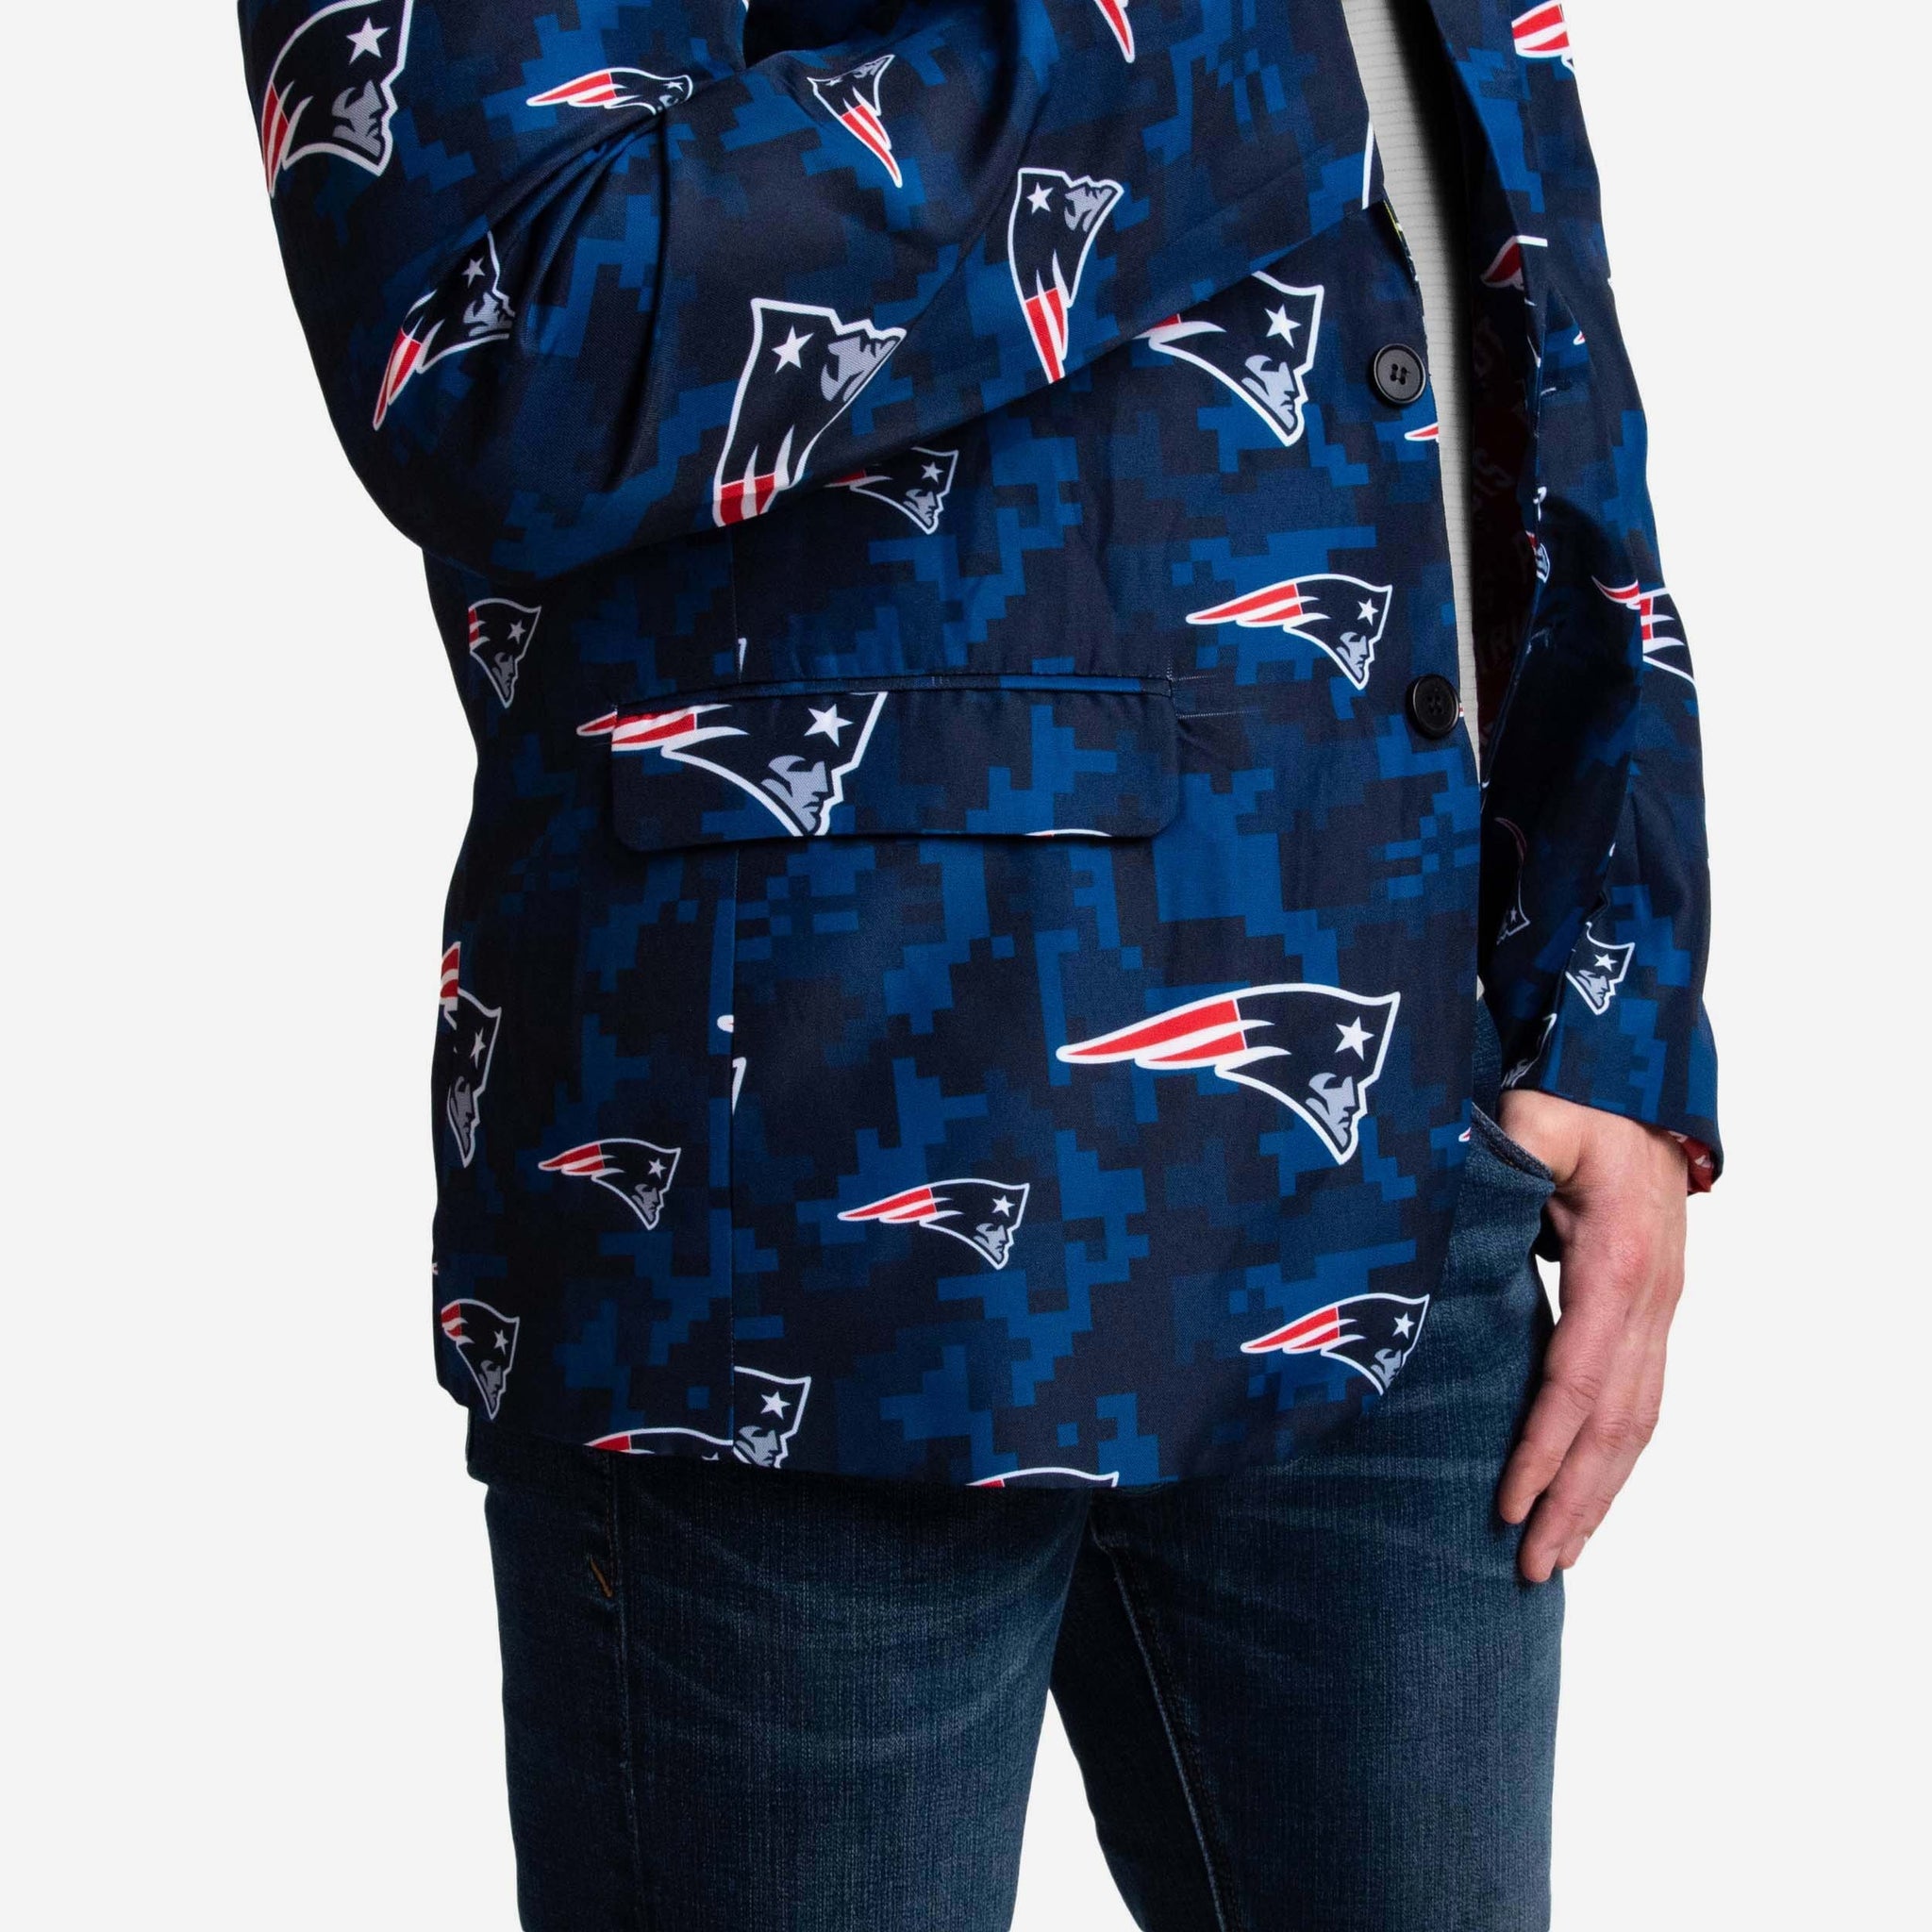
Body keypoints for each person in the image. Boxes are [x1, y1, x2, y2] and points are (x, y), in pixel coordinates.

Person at [239, 0, 1718, 1924]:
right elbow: (498, 346)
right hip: (800, 1204)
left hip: (1389, 1161)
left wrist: (1619, 1006)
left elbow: (1522, 314)